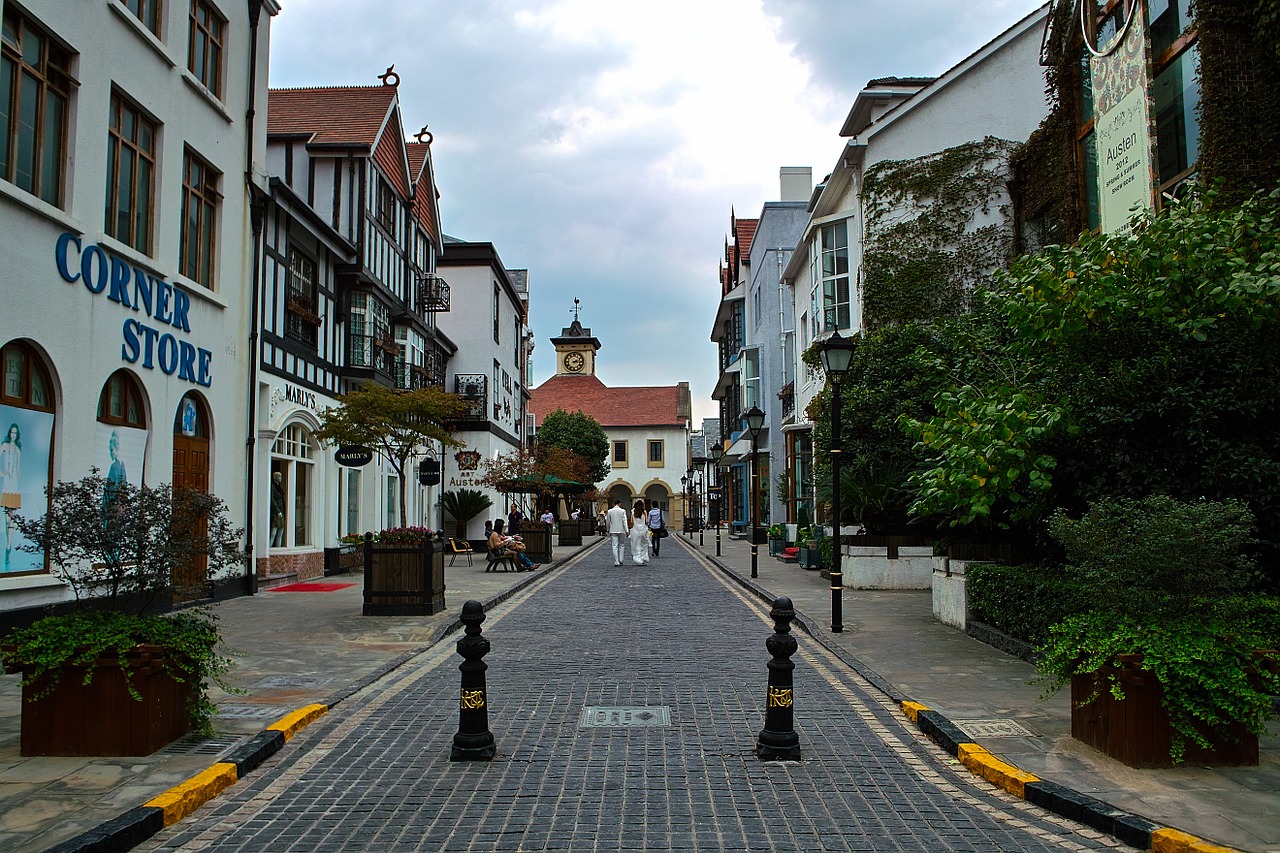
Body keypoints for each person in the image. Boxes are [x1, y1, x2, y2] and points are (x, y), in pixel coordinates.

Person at [0, 423, 21, 568]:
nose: (13, 435)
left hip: (15, 486)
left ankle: (8, 547)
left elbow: (18, 469)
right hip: (7, 485)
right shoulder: (5, 446)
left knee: (12, 519)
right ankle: (7, 547)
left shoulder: (18, 450)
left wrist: (19, 487)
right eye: (12, 432)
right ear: (9, 433)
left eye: (15, 433)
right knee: (7, 519)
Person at [605, 499, 630, 566]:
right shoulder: (622, 511)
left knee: (614, 545)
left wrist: (608, 529)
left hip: (613, 530)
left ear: (614, 504)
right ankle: (621, 559)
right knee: (621, 545)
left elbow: (608, 521)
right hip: (621, 530)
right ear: (619, 504)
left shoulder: (610, 511)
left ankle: (616, 561)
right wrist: (627, 530)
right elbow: (625, 521)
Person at [628, 499, 650, 565]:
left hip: (635, 530)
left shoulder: (633, 511)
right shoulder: (644, 512)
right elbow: (646, 521)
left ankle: (638, 558)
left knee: (636, 544)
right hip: (643, 530)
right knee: (644, 544)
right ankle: (644, 556)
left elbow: (631, 522)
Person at [270, 471, 286, 547]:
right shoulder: (272, 487)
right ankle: (270, 546)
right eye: (279, 476)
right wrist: (277, 511)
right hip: (276, 512)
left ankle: (278, 546)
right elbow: (272, 500)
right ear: (275, 477)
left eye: (281, 476)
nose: (280, 478)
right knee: (274, 532)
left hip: (281, 511)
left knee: (281, 531)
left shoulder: (280, 488)